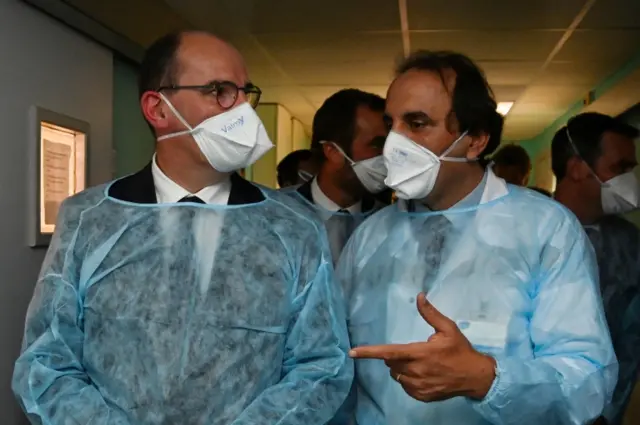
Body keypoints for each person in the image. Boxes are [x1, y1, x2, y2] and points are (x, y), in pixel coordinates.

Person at [12, 30, 352, 425]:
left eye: (245, 93)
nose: (242, 110)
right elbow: (46, 363)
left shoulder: (293, 225)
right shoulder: (89, 219)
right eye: (220, 91)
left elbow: (322, 364)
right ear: (158, 108)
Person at [336, 50, 617, 425]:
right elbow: (334, 361)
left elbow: (587, 379)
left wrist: (485, 379)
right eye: (392, 124)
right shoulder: (369, 237)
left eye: (417, 124)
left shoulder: (544, 229)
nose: (393, 144)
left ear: (476, 141)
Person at [552, 112, 640, 425]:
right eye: (619, 169)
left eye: (631, 169)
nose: (629, 180)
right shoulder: (530, 234)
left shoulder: (629, 243)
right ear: (577, 168)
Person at [290, 89, 389, 262]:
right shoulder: (276, 213)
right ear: (333, 152)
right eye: (377, 145)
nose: (387, 155)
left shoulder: (389, 222)